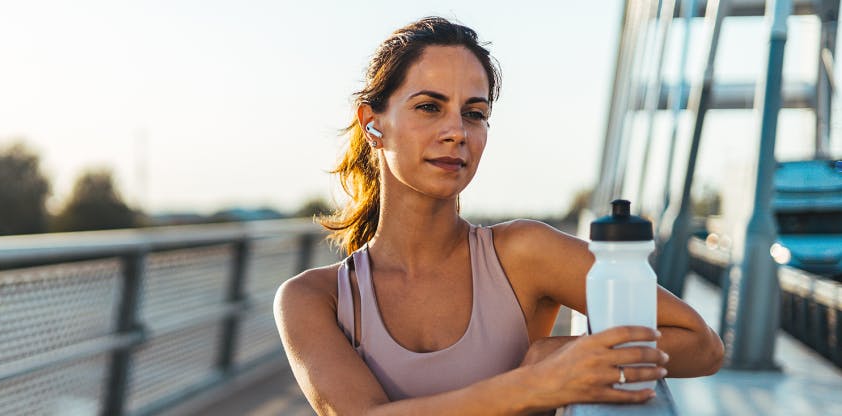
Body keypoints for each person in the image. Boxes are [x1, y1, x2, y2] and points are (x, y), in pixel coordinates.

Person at [274, 16, 723, 415]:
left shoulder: (523, 254)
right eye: (429, 107)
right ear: (373, 123)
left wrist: (555, 351)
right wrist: (537, 383)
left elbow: (702, 344)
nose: (455, 132)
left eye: (474, 113)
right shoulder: (314, 299)